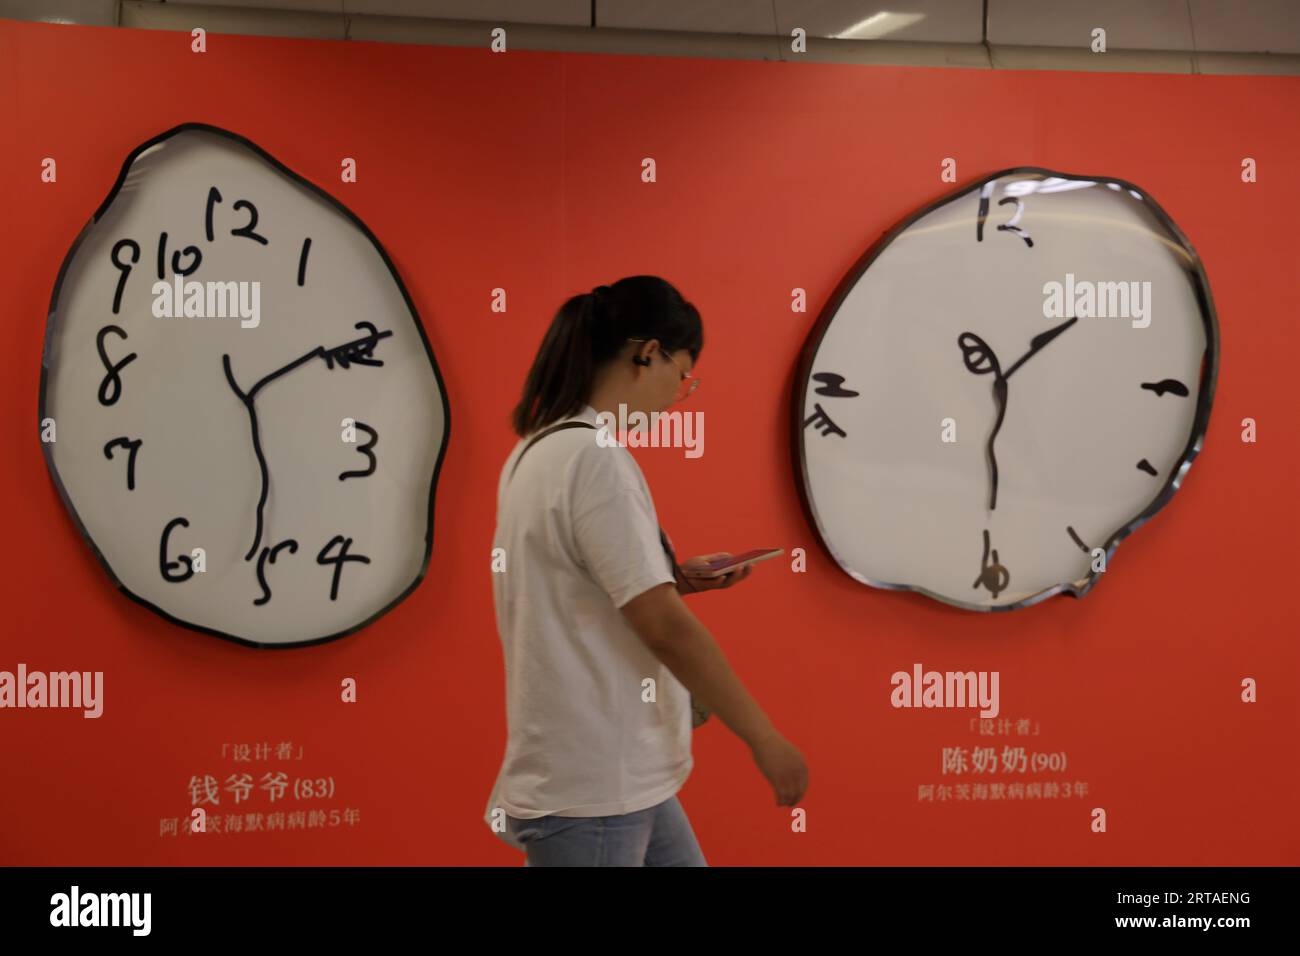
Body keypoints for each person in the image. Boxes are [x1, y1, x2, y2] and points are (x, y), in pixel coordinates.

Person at [483, 275, 808, 867]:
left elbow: (579, 581)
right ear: (648, 353)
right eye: (683, 375)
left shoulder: (539, 450)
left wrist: (675, 576)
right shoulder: (595, 459)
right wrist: (763, 736)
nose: (679, 394)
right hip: (599, 780)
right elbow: (662, 625)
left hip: (613, 769)